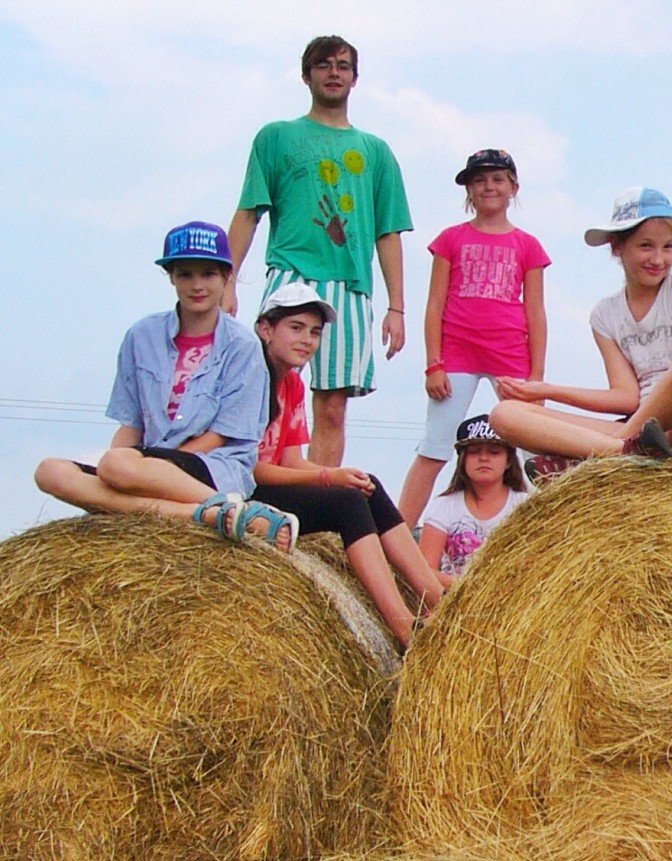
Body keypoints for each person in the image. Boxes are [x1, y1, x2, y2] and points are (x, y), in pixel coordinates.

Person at [34, 221, 295, 550]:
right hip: (143, 464)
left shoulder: (243, 346)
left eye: (208, 274)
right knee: (50, 472)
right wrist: (117, 470)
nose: (197, 285)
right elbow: (132, 424)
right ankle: (208, 514)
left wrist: (146, 466)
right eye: (185, 274)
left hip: (214, 464)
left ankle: (225, 503)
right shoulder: (141, 336)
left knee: (118, 465)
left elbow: (221, 436)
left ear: (226, 277)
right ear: (171, 277)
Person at [228, 34, 412, 468]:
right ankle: (259, 482)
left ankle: (321, 495)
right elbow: (249, 212)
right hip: (291, 272)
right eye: (324, 65)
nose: (334, 73)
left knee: (332, 406)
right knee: (268, 389)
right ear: (306, 75)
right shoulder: (276, 137)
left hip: (349, 284)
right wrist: (227, 281)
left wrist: (397, 307)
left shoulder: (376, 151)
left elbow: (388, 232)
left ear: (355, 78)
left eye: (343, 66)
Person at [252, 284, 447, 648]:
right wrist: (328, 476)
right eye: (296, 328)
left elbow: (290, 460)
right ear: (266, 329)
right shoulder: (252, 379)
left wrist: (340, 476)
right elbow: (251, 469)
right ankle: (403, 626)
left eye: (314, 332)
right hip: (243, 493)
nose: (307, 340)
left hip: (270, 485)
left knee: (365, 485)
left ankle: (436, 598)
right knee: (347, 502)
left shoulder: (291, 384)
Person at [489, 187, 672, 472]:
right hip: (641, 429)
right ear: (616, 246)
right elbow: (626, 397)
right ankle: (621, 451)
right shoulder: (604, 315)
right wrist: (546, 390)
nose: (659, 259)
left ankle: (603, 454)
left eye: (668, 247)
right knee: (503, 414)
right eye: (646, 246)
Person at [395, 149, 550, 526]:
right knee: (434, 446)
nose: (488, 187)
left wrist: (537, 377)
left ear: (513, 187)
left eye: (497, 179)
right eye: (479, 180)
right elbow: (434, 303)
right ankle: (395, 533)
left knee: (537, 449)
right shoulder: (450, 239)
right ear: (468, 190)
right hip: (457, 355)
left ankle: (557, 530)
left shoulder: (528, 245)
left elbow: (535, 312)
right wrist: (433, 364)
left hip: (510, 354)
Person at [419, 415, 530, 579]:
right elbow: (424, 570)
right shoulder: (443, 506)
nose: (484, 458)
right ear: (463, 460)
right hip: (452, 592)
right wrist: (465, 589)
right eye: (474, 452)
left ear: (508, 461)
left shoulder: (525, 505)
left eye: (494, 452)